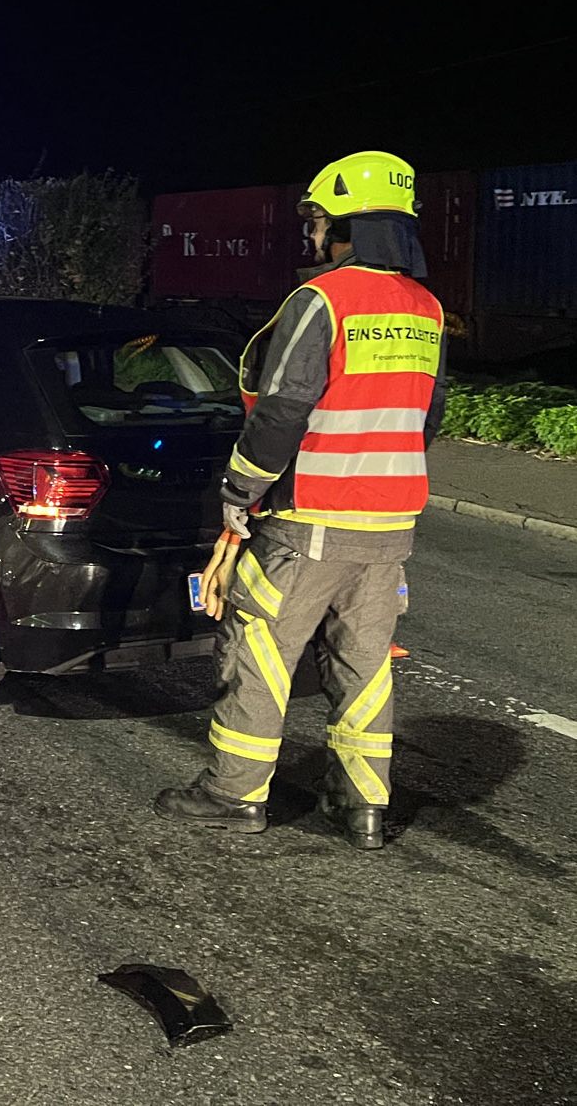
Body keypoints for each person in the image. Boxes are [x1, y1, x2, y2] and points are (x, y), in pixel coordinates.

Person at [155, 151, 447, 850]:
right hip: (391, 524)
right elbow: (429, 416)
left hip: (311, 521)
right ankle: (362, 805)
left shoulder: (322, 301)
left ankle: (233, 794)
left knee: (257, 652)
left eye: (317, 220)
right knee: (364, 666)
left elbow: (283, 409)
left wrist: (240, 491)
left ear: (347, 224)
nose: (310, 233)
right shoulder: (427, 309)